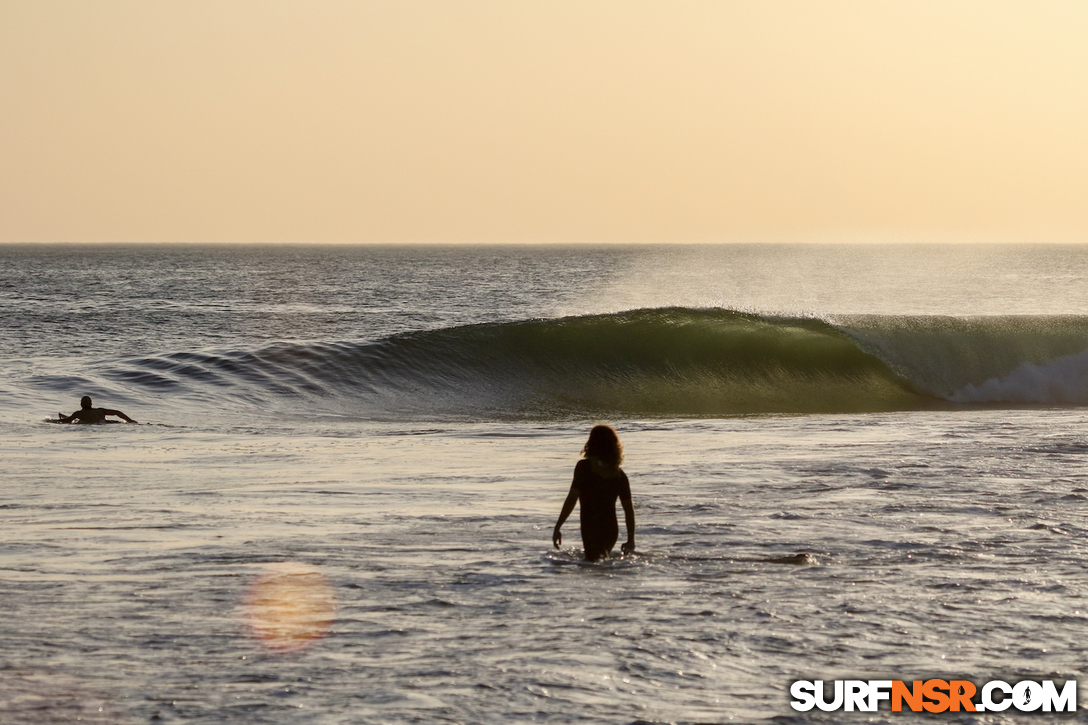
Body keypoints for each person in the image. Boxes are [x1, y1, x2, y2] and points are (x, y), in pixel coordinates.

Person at [552, 425, 635, 561]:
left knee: (592, 567)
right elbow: (628, 510)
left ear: (592, 443)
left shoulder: (584, 468)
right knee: (601, 565)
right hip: (611, 529)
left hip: (591, 526)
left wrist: (558, 526)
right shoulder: (619, 475)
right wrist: (630, 539)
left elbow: (572, 498)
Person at [59, 396, 138, 424]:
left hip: (88, 423)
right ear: (91, 404)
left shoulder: (79, 414)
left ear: (81, 404)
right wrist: (130, 420)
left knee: (76, 422)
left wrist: (49, 421)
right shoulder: (100, 411)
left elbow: (67, 421)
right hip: (103, 423)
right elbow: (117, 413)